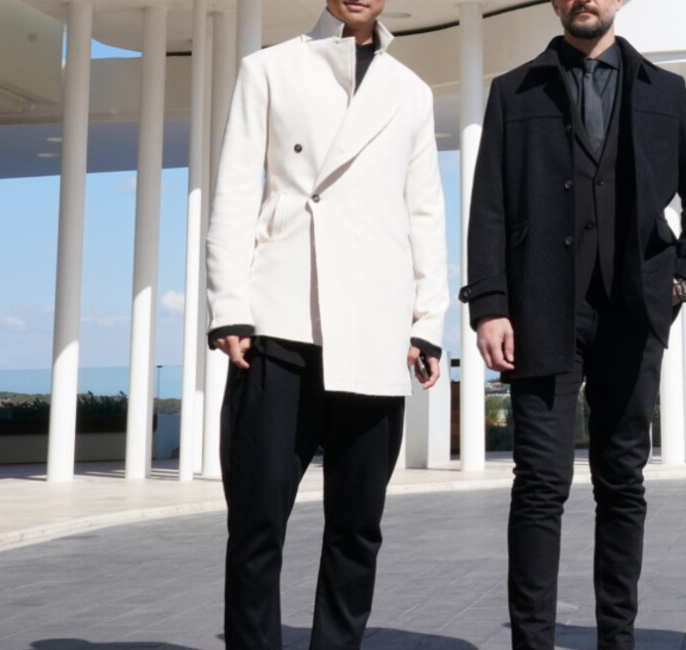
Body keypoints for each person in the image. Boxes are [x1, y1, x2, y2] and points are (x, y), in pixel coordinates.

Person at [458, 0, 686, 647]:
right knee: (539, 483)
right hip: (540, 308)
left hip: (634, 308)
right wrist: (489, 304)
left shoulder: (666, 91)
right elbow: (488, 204)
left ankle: (616, 640)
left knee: (622, 480)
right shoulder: (513, 91)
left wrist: (685, 276)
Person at [203, 0, 446, 647]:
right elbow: (234, 191)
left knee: (357, 526)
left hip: (375, 326)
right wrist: (229, 305)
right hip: (278, 320)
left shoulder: (411, 91)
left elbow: (424, 209)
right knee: (256, 520)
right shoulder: (268, 69)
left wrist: (427, 319)